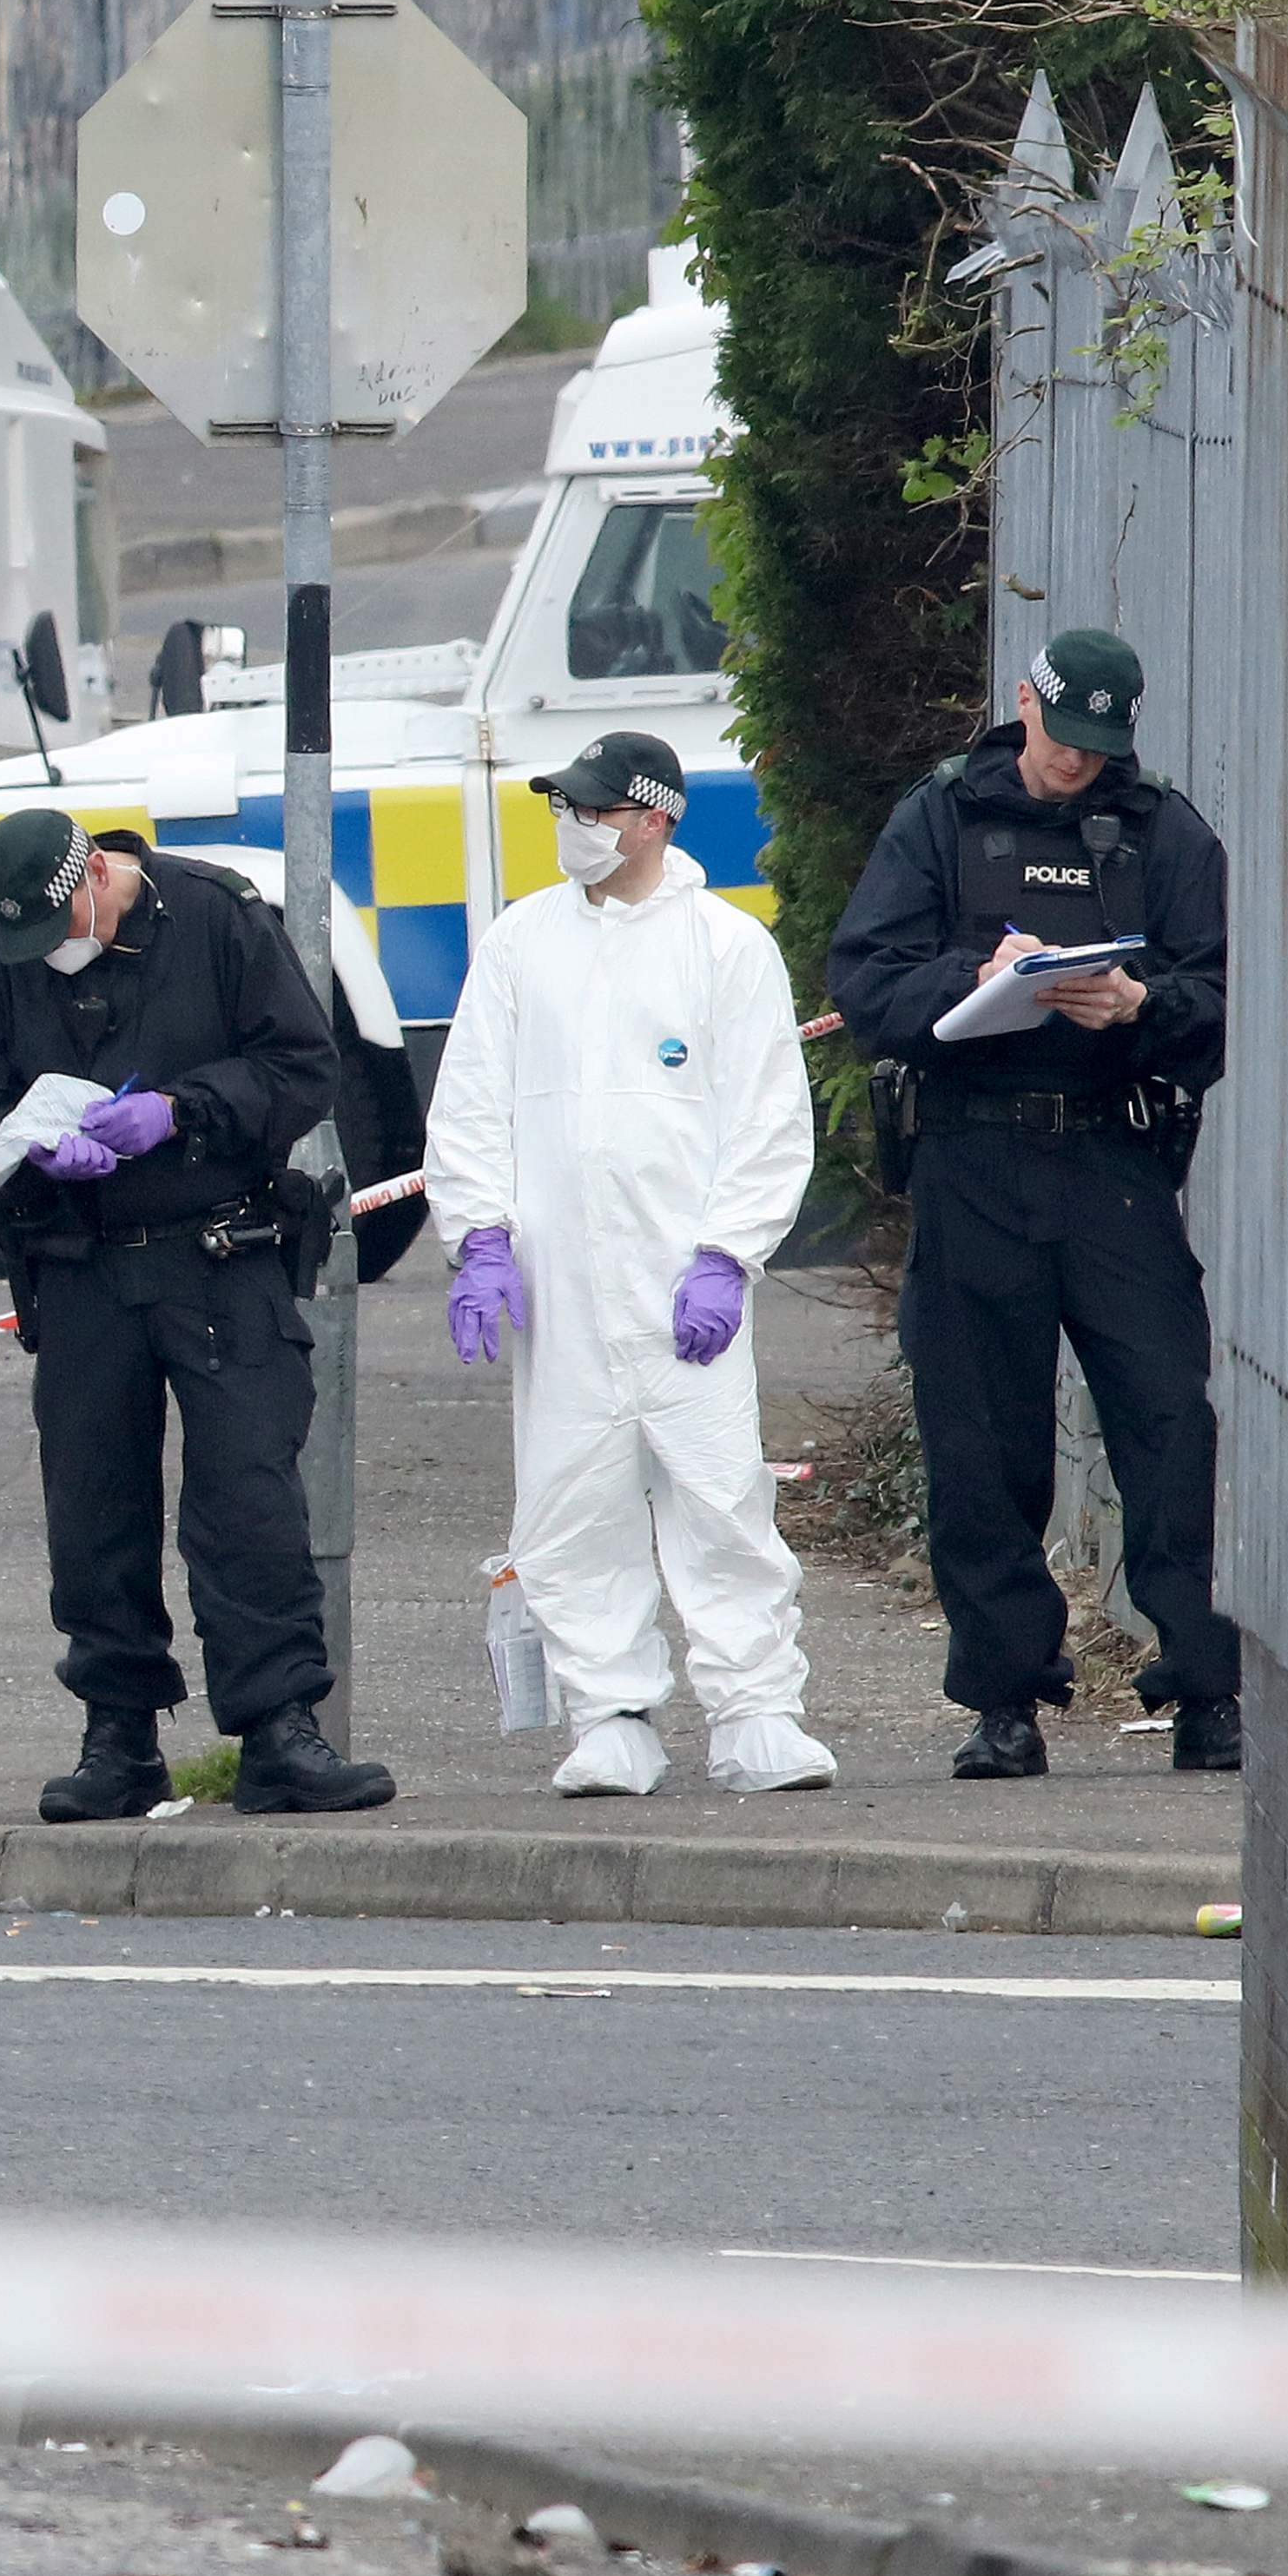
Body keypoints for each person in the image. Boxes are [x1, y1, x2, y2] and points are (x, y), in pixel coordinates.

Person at [829, 628, 1238, 1777]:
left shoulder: (1163, 828)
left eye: (1100, 748)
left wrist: (1139, 1005)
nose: (1076, 766)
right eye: (1063, 741)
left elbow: (1224, 990)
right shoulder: (943, 818)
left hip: (1114, 1161)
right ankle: (1005, 1699)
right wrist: (970, 983)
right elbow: (864, 976)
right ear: (1026, 704)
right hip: (974, 1156)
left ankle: (1206, 1687)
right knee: (981, 1437)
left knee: (1168, 1419)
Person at [0, 808, 394, 1820]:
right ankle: (118, 1736)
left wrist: (182, 1111)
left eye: (61, 926)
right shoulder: (2, 955)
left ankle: (278, 1731)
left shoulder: (218, 918)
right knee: (93, 1509)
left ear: (98, 875)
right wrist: (32, 1150)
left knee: (247, 1500)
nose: (50, 957)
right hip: (83, 1264)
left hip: (220, 1252)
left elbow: (300, 1067)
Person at [426, 735, 838, 1799]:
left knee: (719, 1500)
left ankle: (756, 1712)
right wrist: (478, 1236)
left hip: (683, 1288)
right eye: (568, 807)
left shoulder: (725, 948)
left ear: (656, 818)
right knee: (570, 1507)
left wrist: (727, 1255)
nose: (576, 827)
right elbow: (470, 1100)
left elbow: (767, 1120)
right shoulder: (523, 943)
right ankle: (609, 1714)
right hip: (561, 1293)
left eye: (596, 811)